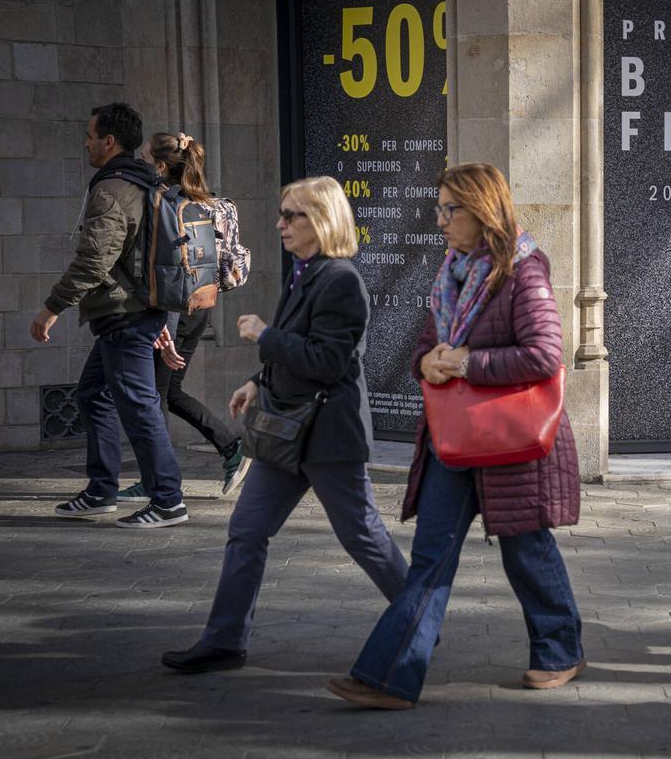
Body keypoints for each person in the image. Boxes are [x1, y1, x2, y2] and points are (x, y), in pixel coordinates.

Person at [326, 163, 584, 710]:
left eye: (449, 209)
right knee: (431, 556)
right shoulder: (452, 271)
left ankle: (560, 650)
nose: (439, 220)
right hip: (456, 438)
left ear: (482, 210)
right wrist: (430, 364)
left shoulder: (524, 270)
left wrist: (467, 362)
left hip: (510, 441)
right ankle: (391, 676)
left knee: (526, 549)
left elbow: (545, 355)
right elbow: (425, 344)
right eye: (438, 208)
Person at [161, 176, 409, 673]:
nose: (280, 223)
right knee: (247, 529)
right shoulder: (305, 272)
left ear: (322, 220)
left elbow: (329, 360)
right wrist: (257, 380)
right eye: (281, 213)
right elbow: (301, 345)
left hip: (329, 436)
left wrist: (264, 337)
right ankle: (225, 641)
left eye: (291, 215)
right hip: (286, 430)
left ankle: (419, 615)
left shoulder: (340, 279)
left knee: (362, 535)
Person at [35, 103, 188, 529]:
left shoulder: (113, 189)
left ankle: (168, 500)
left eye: (89, 135)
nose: (85, 142)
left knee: (139, 407)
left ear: (109, 141)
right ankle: (102, 491)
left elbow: (94, 261)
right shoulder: (143, 180)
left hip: (126, 316)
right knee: (93, 394)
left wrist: (51, 309)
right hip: (134, 314)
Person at [117, 132, 250, 505]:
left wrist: (162, 324)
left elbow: (163, 269)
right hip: (201, 309)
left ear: (160, 166)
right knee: (167, 392)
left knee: (153, 397)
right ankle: (230, 449)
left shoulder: (163, 204)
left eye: (146, 159)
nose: (142, 165)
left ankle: (156, 480)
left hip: (172, 312)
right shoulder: (214, 205)